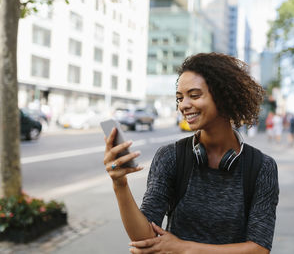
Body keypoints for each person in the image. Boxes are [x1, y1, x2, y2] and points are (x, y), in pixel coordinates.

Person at [103, 53, 279, 254]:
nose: (183, 105)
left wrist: (183, 248)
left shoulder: (261, 166)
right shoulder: (170, 157)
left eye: (194, 95)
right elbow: (145, 239)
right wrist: (120, 184)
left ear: (224, 97)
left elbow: (259, 249)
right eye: (180, 98)